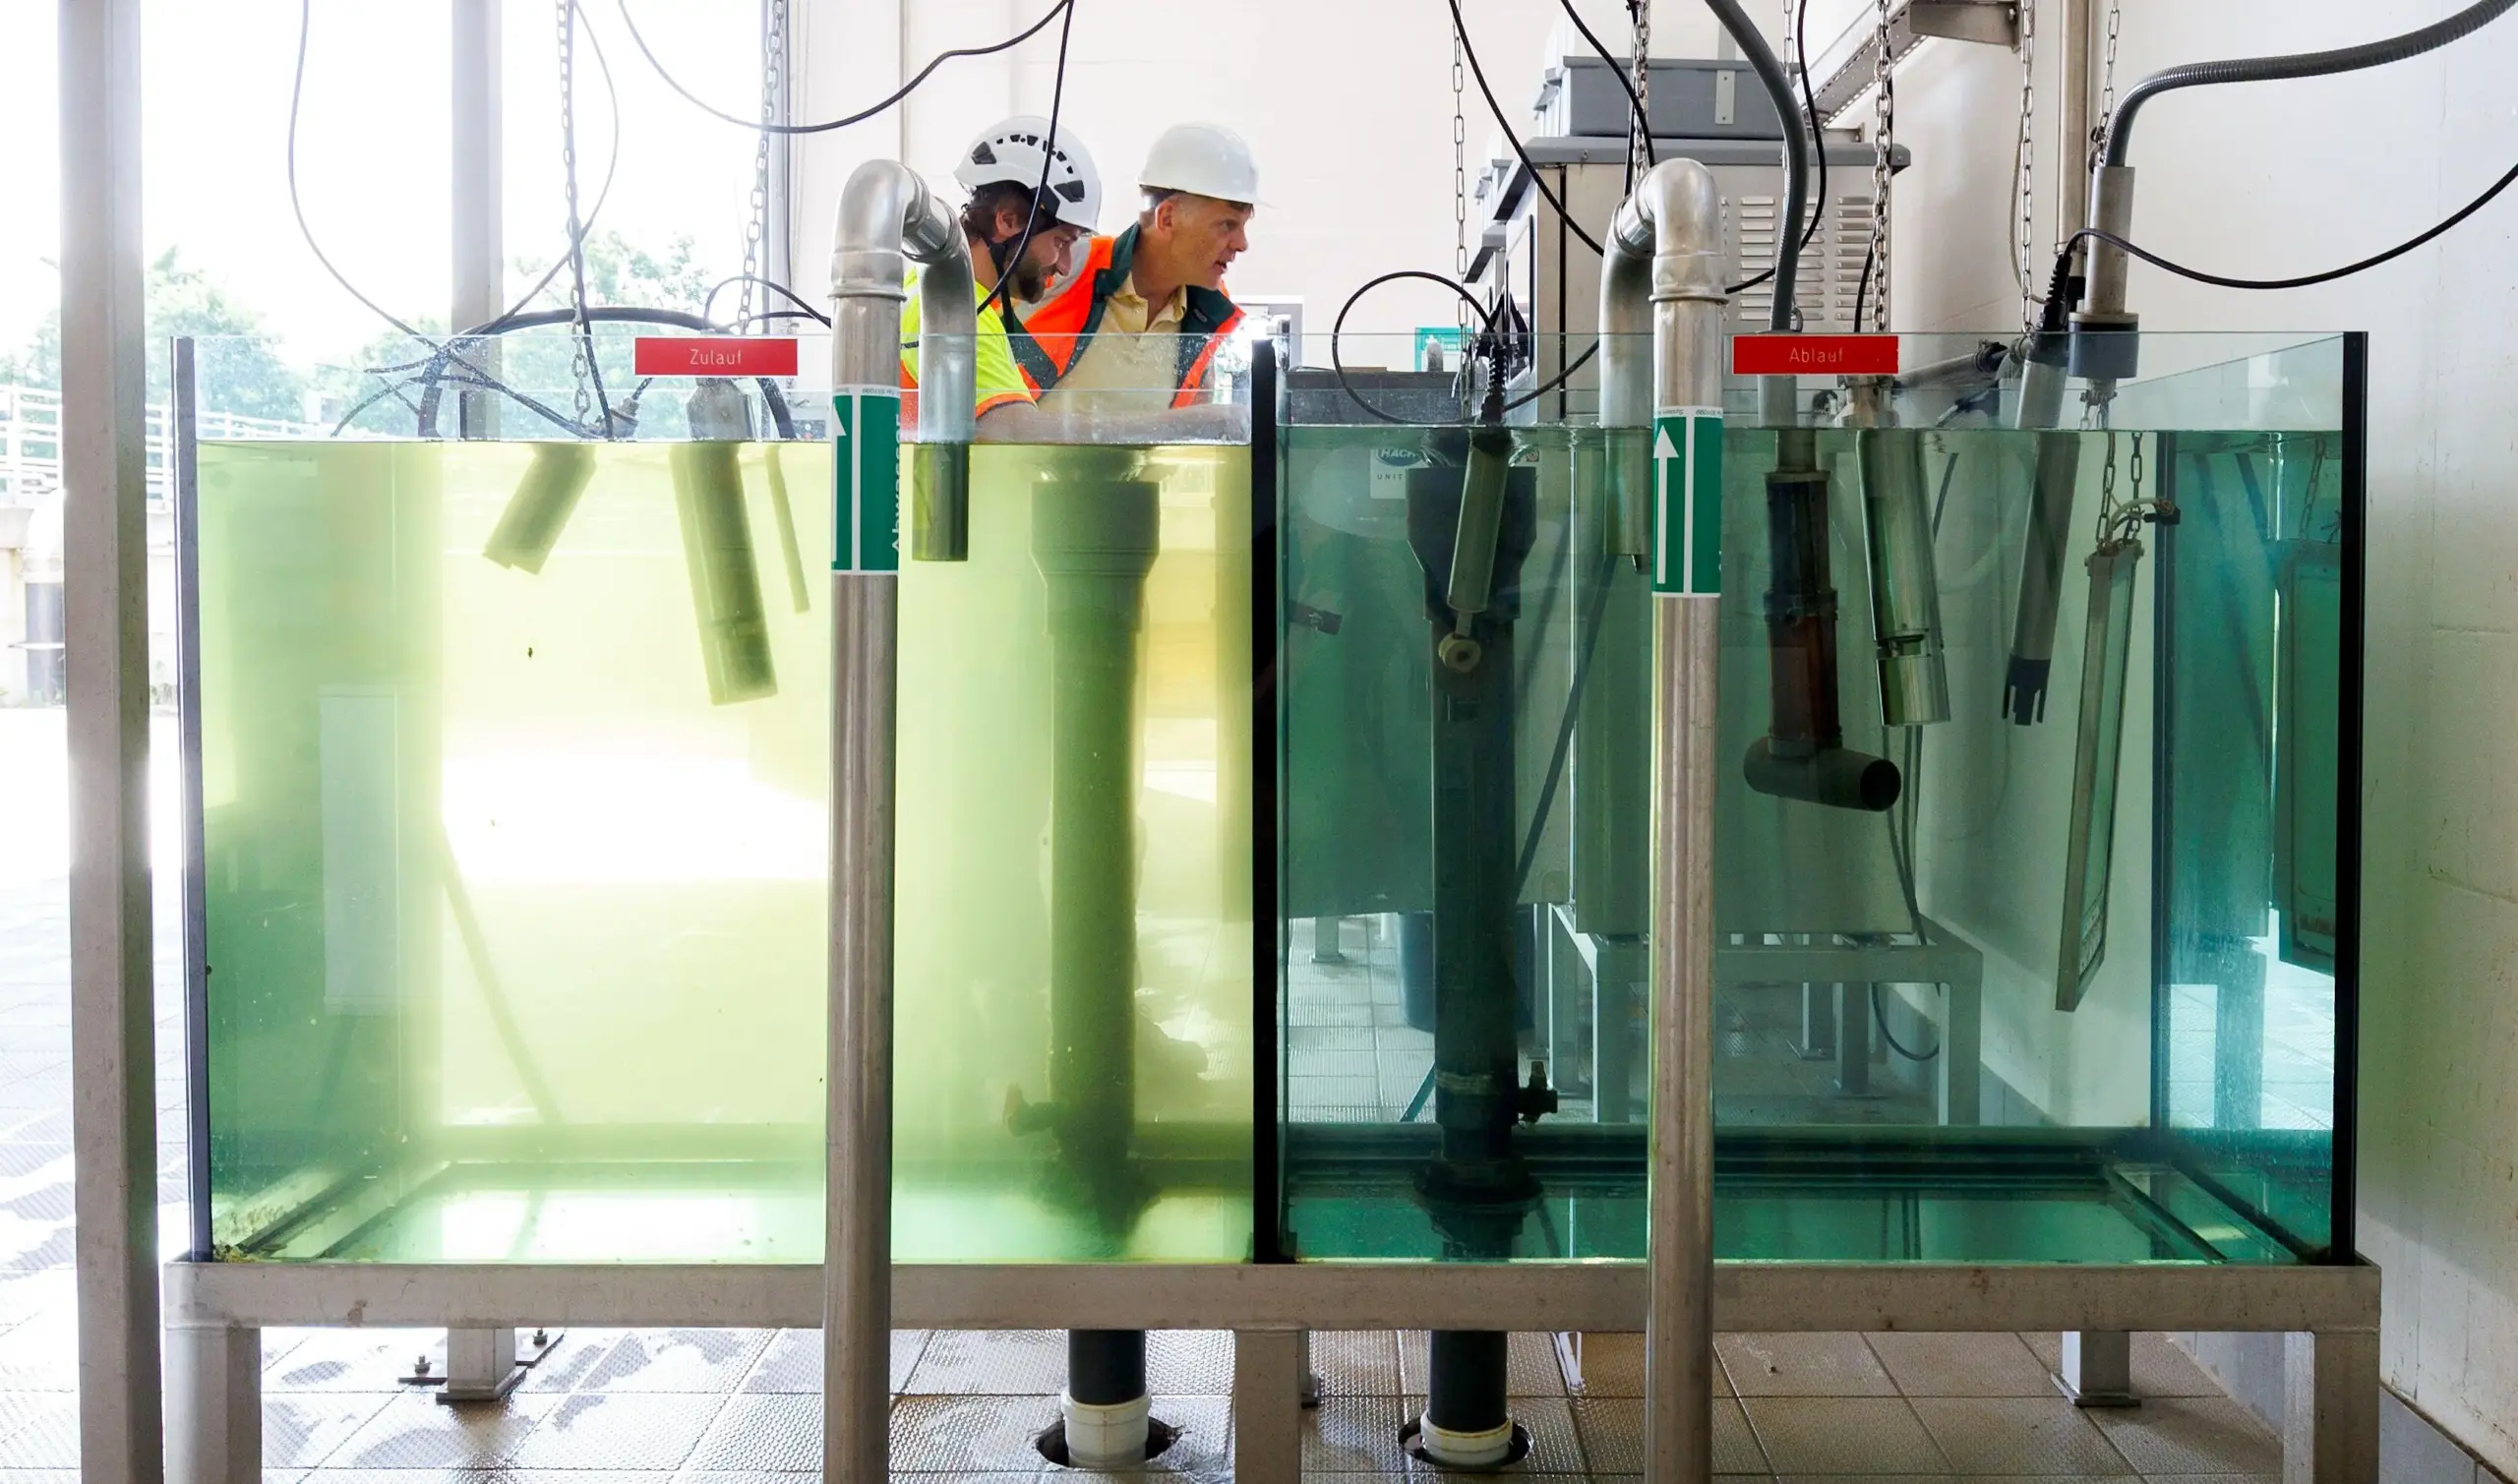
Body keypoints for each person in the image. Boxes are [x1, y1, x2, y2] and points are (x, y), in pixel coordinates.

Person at [1018, 122, 1259, 411]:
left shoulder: (1211, 316)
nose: (1242, 244)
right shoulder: (1066, 266)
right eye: (1227, 225)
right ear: (1167, 218)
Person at [899, 114, 1102, 431]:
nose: (1064, 266)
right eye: (1061, 242)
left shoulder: (949, 297)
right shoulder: (953, 313)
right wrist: (1173, 427)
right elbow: (1015, 435)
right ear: (1007, 221)